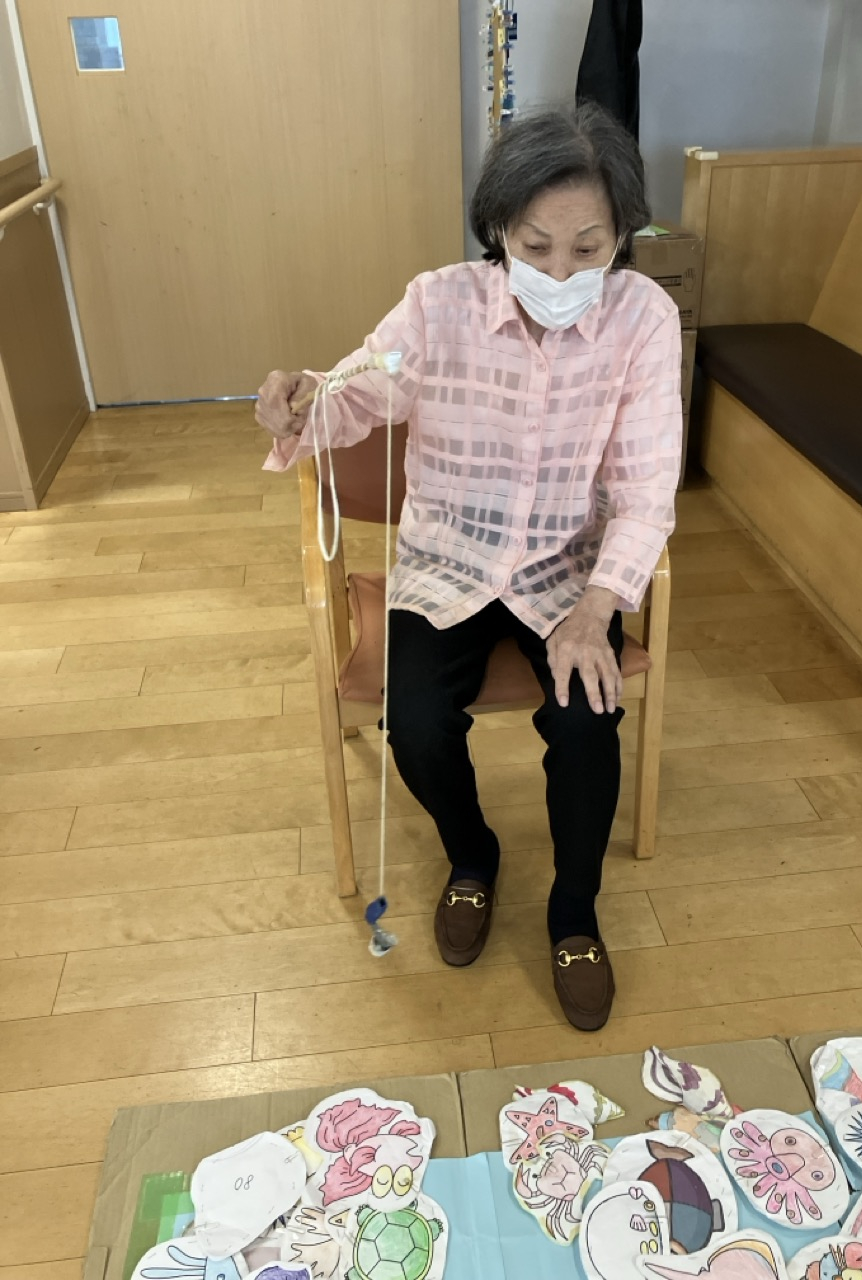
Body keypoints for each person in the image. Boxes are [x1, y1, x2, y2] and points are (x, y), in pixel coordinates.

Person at [256, 104, 682, 1032]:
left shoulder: (643, 319)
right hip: (447, 557)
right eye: (536, 245)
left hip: (568, 570)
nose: (561, 273)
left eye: (589, 247)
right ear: (498, 228)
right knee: (413, 724)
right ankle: (473, 854)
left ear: (621, 237)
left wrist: (598, 608)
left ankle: (574, 911)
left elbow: (648, 487)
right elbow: (356, 396)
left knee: (586, 722)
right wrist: (300, 406)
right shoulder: (436, 304)